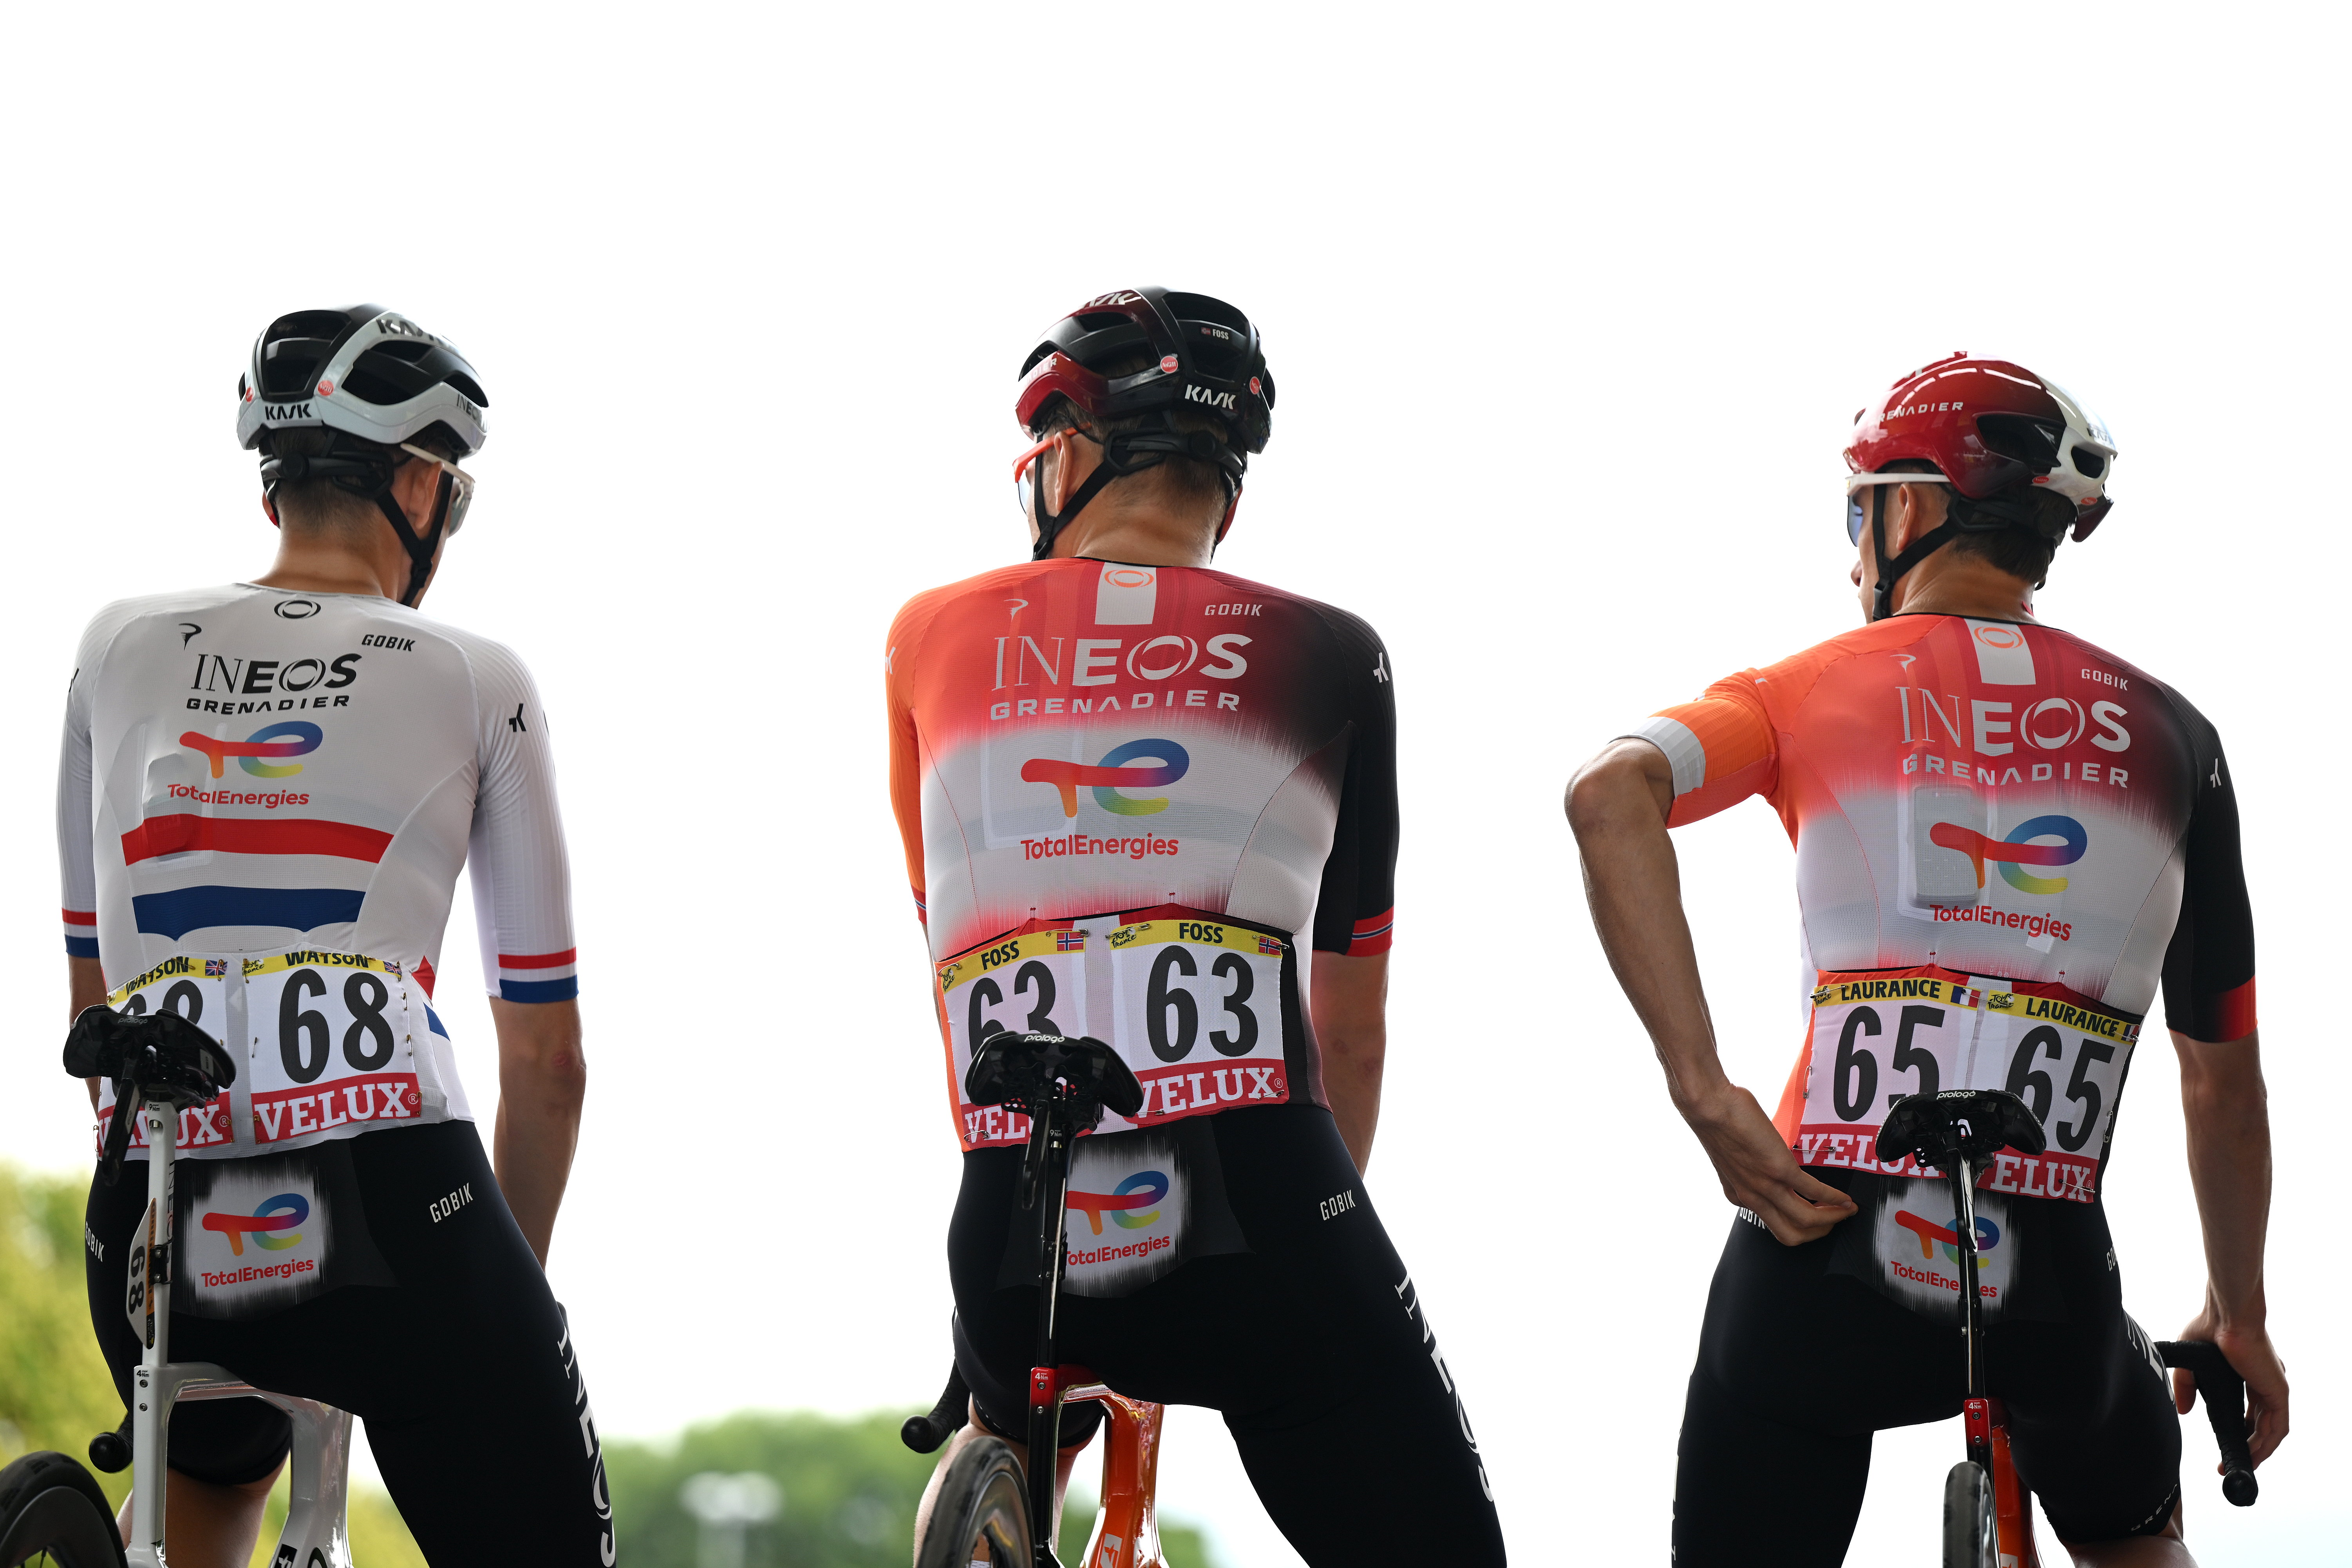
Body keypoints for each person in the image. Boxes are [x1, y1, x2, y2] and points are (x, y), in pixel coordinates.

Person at [1566, 354, 2285, 1566]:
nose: (1854, 553)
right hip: (2056, 1275)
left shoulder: (1802, 687)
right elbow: (2222, 1079)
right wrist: (2240, 1312)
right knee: (2134, 1524)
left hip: (1817, 1244)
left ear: (1907, 507)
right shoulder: (2179, 737)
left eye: (1858, 513)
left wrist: (1703, 1087)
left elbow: (1609, 791)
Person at [886, 288, 1504, 1564]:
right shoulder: (1333, 654)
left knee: (1010, 1411)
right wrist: (1309, 1235)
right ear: (1228, 479)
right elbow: (1353, 1033)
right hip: (1266, 1212)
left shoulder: (927, 635)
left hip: (1010, 1232)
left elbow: (946, 960)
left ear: (1068, 453)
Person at [60, 305, 611, 1567]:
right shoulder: (476, 675)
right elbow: (549, 1063)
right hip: (396, 1206)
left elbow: (93, 1011)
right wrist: (499, 1307)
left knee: (205, 1482)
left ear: (276, 486)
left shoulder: (112, 647)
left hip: (150, 1216)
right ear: (417, 486)